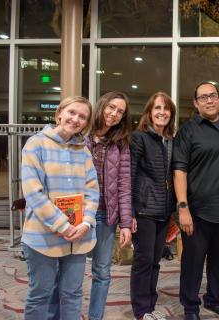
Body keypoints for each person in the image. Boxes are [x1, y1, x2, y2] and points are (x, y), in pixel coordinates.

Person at [172, 81, 219, 320]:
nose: (209, 100)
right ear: (196, 103)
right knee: (192, 264)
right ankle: (190, 308)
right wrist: (182, 207)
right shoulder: (188, 131)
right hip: (197, 211)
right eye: (203, 98)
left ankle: (215, 300)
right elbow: (179, 170)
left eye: (212, 96)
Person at [20, 96, 99, 319]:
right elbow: (33, 193)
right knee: (41, 294)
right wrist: (63, 226)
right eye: (72, 112)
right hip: (42, 237)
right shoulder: (36, 144)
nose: (76, 119)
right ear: (60, 113)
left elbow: (92, 191)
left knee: (73, 294)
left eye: (82, 117)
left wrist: (86, 223)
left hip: (78, 237)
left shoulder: (83, 151)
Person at [85, 91, 133, 320]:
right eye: (111, 107)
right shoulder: (81, 134)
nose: (114, 114)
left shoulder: (120, 144)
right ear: (102, 105)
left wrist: (125, 223)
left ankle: (96, 316)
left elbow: (124, 186)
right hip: (77, 215)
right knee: (66, 272)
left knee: (102, 271)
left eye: (120, 111)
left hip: (105, 215)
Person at [130, 92, 177, 320]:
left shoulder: (170, 140)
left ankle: (150, 306)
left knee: (155, 262)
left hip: (163, 210)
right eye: (157, 108)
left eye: (166, 109)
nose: (162, 112)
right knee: (143, 261)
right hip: (144, 209)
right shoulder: (139, 138)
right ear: (149, 112)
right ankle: (141, 310)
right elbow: (129, 174)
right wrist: (129, 212)